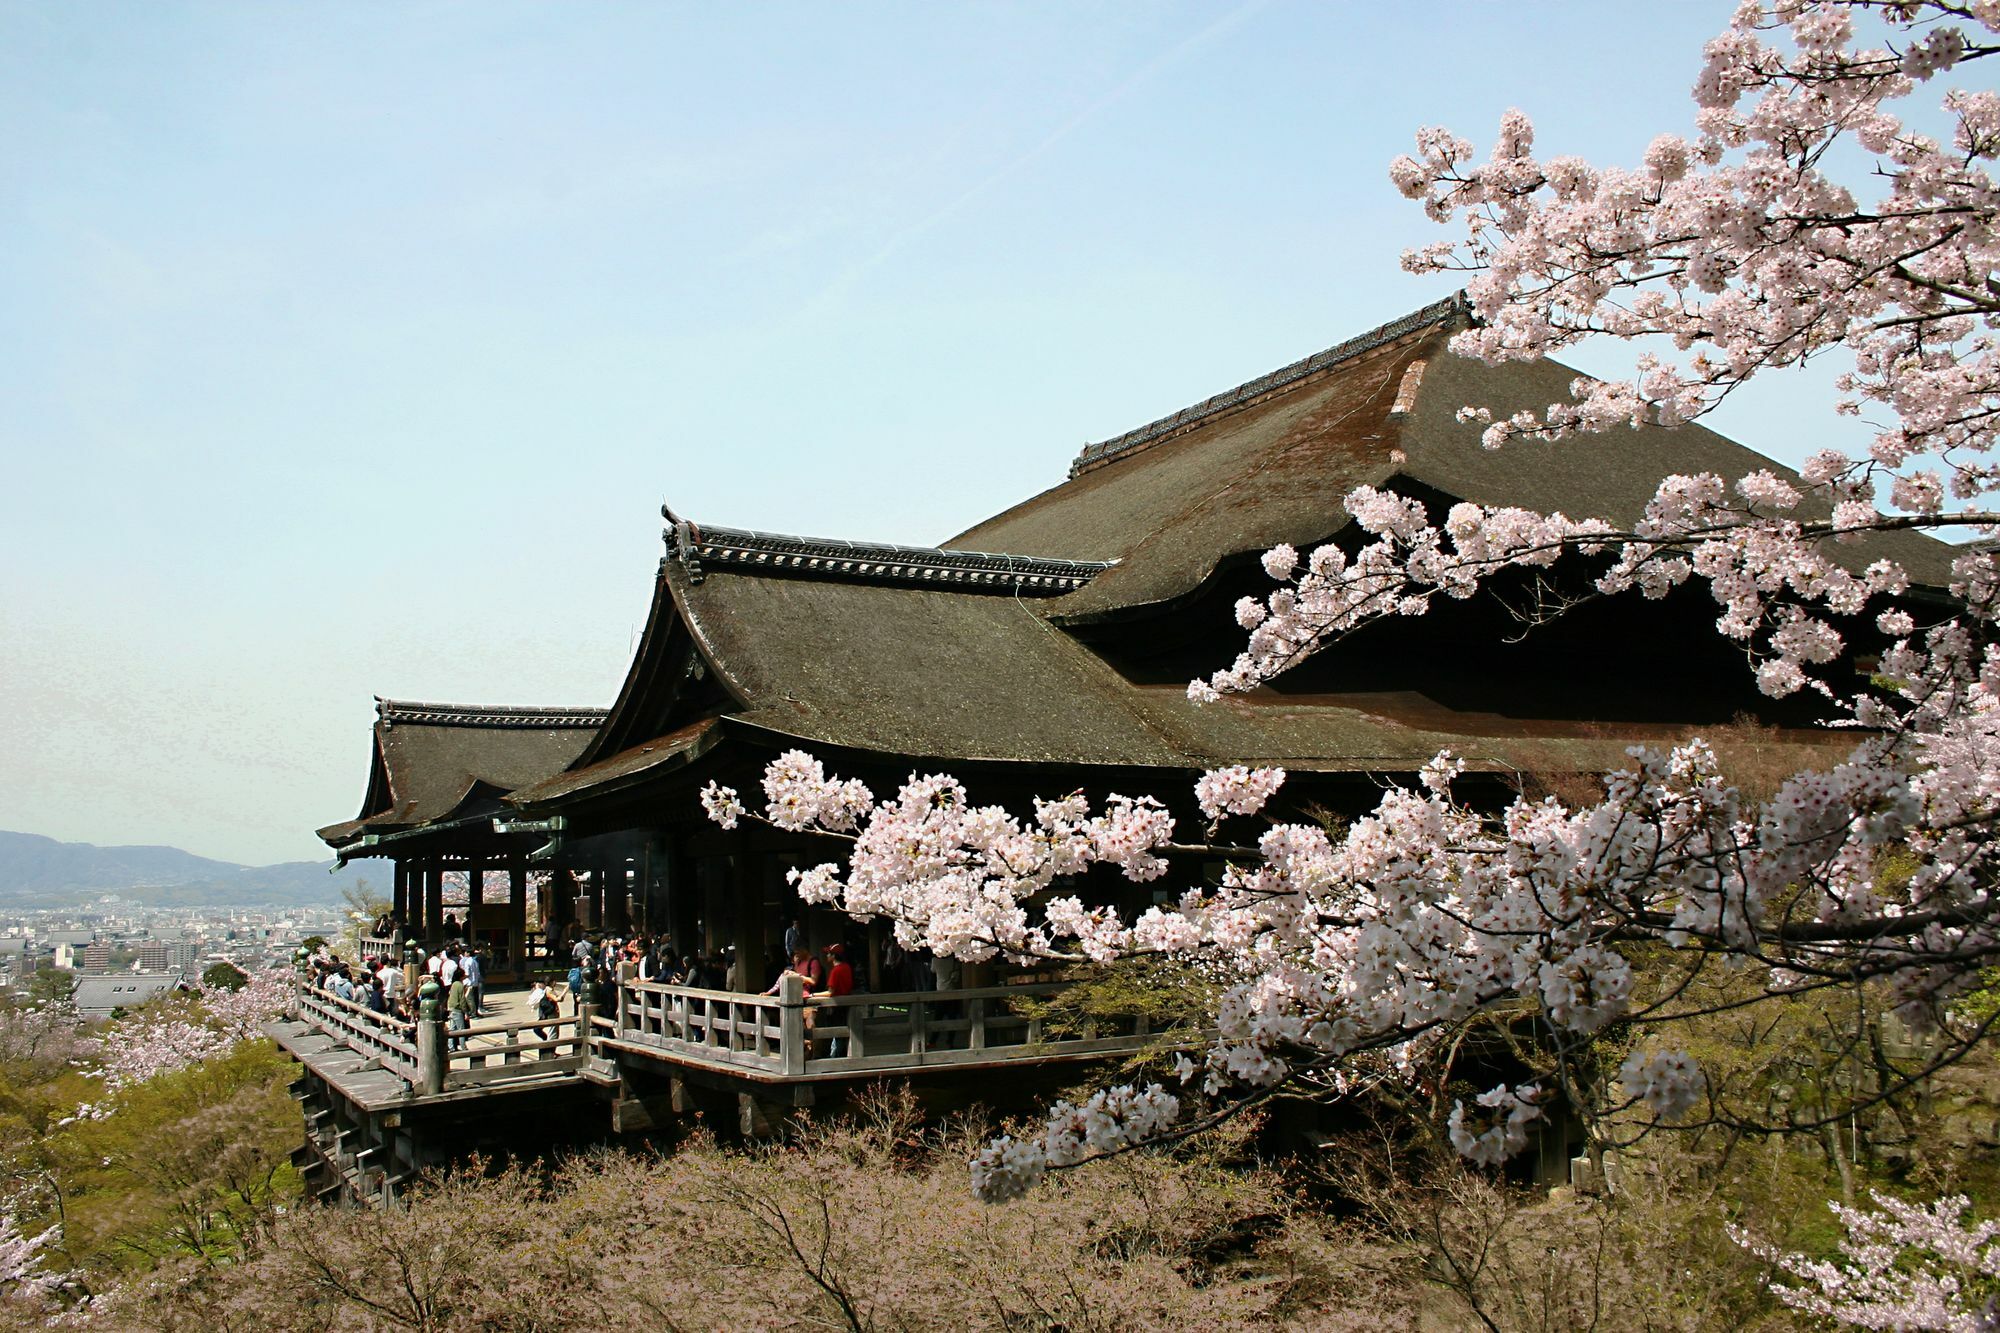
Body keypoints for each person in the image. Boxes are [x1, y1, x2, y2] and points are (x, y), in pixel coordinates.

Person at [823, 943, 856, 1057]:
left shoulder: (836, 971)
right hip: (846, 1003)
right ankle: (840, 1055)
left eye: (828, 953)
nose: (827, 955)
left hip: (837, 1005)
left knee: (836, 1032)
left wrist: (812, 995)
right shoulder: (847, 967)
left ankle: (835, 1056)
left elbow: (830, 992)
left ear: (834, 956)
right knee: (843, 1030)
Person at [446, 970, 471, 1051]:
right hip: (457, 1009)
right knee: (461, 1030)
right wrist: (466, 1012)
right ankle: (463, 1046)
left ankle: (451, 1047)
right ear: (461, 976)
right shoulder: (460, 985)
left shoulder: (453, 984)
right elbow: (462, 1000)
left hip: (451, 1008)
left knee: (452, 1029)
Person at [461, 948, 484, 1017]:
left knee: (470, 999)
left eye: (465, 952)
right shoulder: (475, 961)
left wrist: (462, 978)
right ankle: (476, 1012)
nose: (464, 953)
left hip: (469, 983)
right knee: (475, 998)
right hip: (475, 982)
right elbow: (478, 973)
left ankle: (473, 1013)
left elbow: (467, 974)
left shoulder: (468, 962)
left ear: (468, 953)